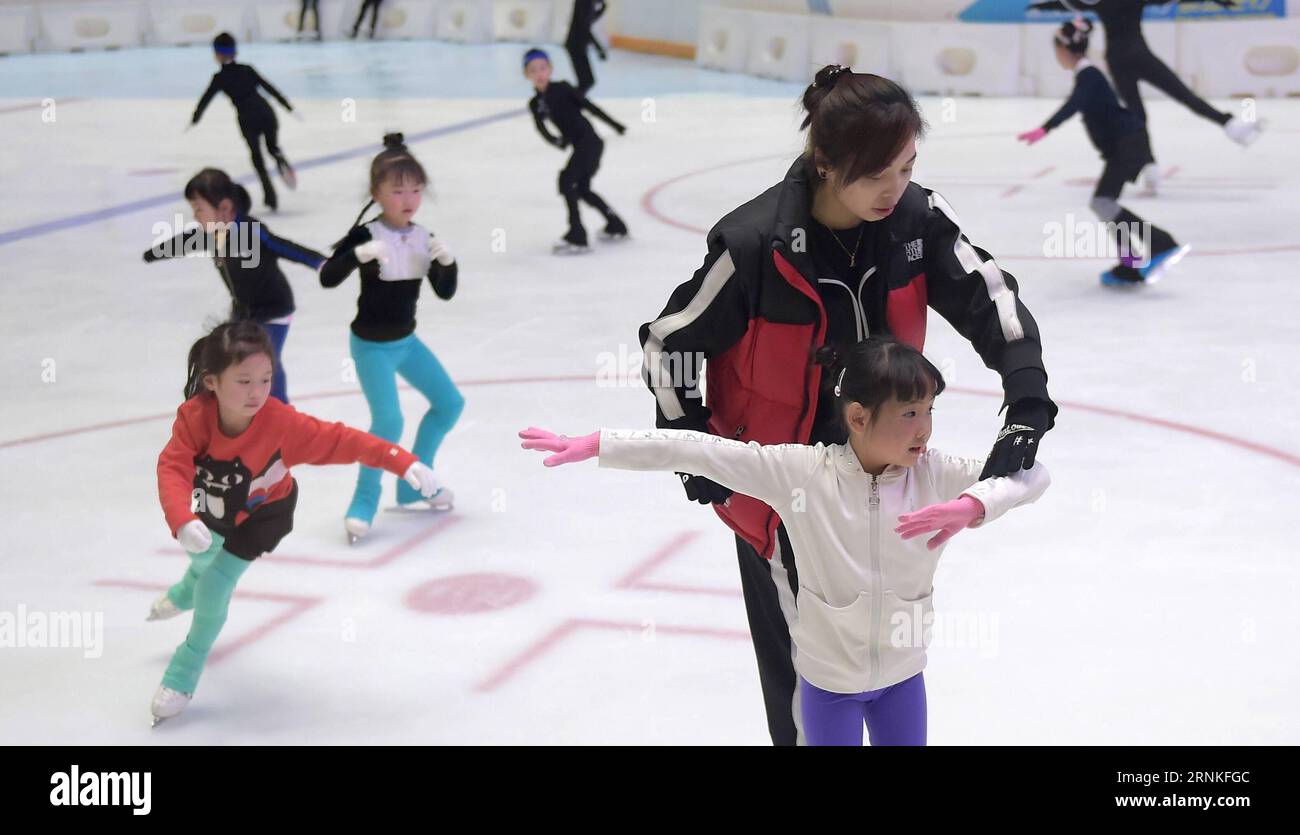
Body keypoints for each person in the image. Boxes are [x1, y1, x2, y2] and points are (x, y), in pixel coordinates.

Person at [638, 65, 1058, 745]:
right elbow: (668, 344)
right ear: (825, 162)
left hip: (889, 487)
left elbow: (993, 301)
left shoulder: (915, 221)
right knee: (808, 691)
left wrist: (1027, 404)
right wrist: (693, 447)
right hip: (786, 503)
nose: (895, 188)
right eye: (875, 174)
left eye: (907, 166)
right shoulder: (754, 245)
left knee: (887, 665)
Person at [521, 336, 1050, 745]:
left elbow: (1033, 475)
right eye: (910, 413)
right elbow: (698, 452)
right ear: (859, 417)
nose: (924, 430)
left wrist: (975, 505)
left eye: (930, 411)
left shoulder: (934, 475)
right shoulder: (800, 473)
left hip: (903, 681)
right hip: (828, 687)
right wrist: (601, 443)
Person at [150, 320, 443, 726]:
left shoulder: (281, 423)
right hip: (210, 510)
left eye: (266, 380)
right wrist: (181, 518)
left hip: (264, 515)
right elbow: (173, 467)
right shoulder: (194, 418)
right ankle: (185, 592)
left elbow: (343, 440)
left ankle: (183, 672)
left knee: (216, 583)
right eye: (244, 381)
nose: (257, 392)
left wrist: (401, 460)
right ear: (212, 382)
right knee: (202, 560)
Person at [319, 134, 461, 543]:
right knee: (389, 421)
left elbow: (445, 291)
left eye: (415, 189)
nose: (408, 198)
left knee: (449, 403)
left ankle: (416, 481)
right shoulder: (366, 235)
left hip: (406, 342)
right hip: (370, 347)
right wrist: (354, 257)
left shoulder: (422, 235)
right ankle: (363, 501)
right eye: (397, 190)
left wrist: (448, 264)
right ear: (376, 193)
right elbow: (328, 276)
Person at [1018, 17, 1190, 286]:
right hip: (1125, 145)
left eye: (1057, 52)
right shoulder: (1088, 75)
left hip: (1128, 144)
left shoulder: (1089, 76)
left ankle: (1160, 244)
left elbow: (1073, 104)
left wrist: (1045, 128)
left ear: (1064, 50)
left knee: (1103, 203)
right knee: (1104, 203)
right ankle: (1130, 263)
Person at [143, 168, 326, 403]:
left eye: (199, 208)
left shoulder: (251, 231)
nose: (196, 215)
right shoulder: (211, 233)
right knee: (226, 359)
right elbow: (186, 241)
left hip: (273, 309)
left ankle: (282, 417)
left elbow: (284, 247)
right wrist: (155, 253)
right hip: (244, 311)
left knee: (263, 363)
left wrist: (321, 263)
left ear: (226, 208)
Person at [524, 47, 629, 254]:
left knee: (566, 180)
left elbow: (589, 107)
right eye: (533, 70)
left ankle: (577, 234)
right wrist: (557, 141)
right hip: (581, 146)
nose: (539, 74)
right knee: (582, 189)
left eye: (543, 68)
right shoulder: (536, 103)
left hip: (590, 143)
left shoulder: (562, 88)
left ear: (550, 69)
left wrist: (615, 125)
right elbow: (542, 128)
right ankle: (616, 224)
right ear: (527, 75)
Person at [190, 33, 300, 211]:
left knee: (257, 156)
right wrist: (287, 105)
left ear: (217, 54)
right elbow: (269, 87)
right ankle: (278, 155)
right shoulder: (247, 69)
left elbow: (205, 100)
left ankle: (270, 195)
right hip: (266, 113)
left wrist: (195, 118)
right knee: (272, 147)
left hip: (247, 118)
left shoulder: (219, 78)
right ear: (235, 52)